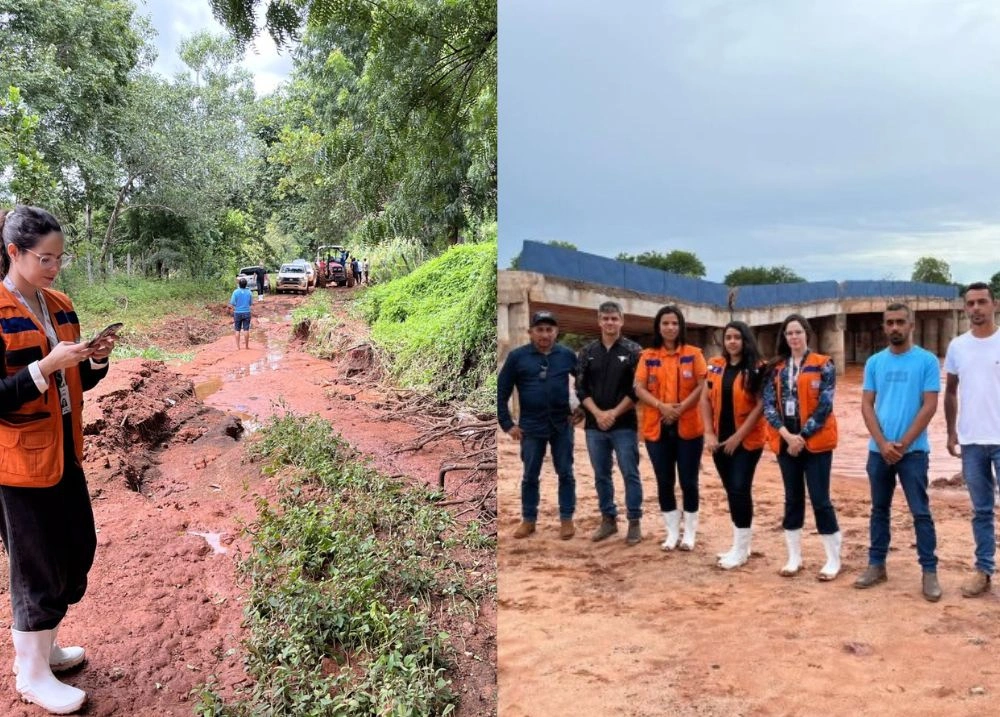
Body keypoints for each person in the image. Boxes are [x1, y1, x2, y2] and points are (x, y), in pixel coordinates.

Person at [0, 206, 115, 714]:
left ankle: (46, 647)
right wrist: (42, 368)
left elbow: (77, 385)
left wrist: (95, 360)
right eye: (45, 259)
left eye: (60, 259)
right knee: (35, 565)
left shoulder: (60, 304)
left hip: (65, 452)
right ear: (13, 253)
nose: (53, 268)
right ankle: (31, 673)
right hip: (16, 465)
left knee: (74, 550)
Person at [854, 303, 941, 601]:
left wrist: (902, 443)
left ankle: (929, 572)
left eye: (900, 322)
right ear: (884, 326)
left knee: (920, 512)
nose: (894, 327)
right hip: (878, 452)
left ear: (911, 325)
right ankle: (877, 565)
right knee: (879, 510)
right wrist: (882, 443)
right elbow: (866, 404)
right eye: (889, 322)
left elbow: (929, 405)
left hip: (913, 453)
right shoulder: (875, 362)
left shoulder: (927, 361)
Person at [762, 314, 842, 581]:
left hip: (816, 443)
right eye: (789, 333)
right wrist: (787, 436)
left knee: (820, 499)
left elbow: (825, 405)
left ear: (807, 334)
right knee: (792, 499)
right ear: (784, 338)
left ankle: (833, 559)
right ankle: (794, 557)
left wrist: (802, 436)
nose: (793, 337)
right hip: (786, 443)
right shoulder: (776, 369)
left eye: (798, 332)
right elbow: (769, 405)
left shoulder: (824, 365)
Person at [498, 310, 577, 540]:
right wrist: (507, 424)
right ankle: (528, 520)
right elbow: (501, 392)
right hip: (530, 428)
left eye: (549, 330)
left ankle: (566, 519)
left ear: (556, 332)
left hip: (562, 425)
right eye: (540, 330)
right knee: (530, 475)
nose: (545, 334)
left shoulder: (567, 355)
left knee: (566, 473)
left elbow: (585, 383)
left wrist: (580, 412)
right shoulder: (517, 357)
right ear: (530, 332)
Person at [634, 305, 706, 551]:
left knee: (689, 481)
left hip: (689, 428)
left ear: (681, 326)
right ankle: (672, 532)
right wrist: (661, 407)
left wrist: (680, 408)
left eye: (674, 323)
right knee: (664, 481)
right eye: (665, 323)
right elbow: (639, 387)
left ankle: (690, 534)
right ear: (658, 326)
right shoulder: (648, 355)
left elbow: (702, 385)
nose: (670, 328)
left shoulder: (694, 353)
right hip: (657, 427)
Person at [944, 281, 1000, 598]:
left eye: (982, 302)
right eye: (970, 304)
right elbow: (951, 391)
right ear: (965, 308)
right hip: (972, 442)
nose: (976, 308)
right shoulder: (958, 347)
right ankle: (983, 571)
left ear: (995, 304)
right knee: (981, 510)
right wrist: (952, 431)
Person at [699, 321, 766, 569]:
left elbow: (760, 406)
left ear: (746, 340)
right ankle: (741, 544)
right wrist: (708, 433)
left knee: (739, 488)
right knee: (732, 491)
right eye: (728, 337)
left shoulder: (758, 368)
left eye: (737, 337)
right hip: (719, 440)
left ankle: (740, 551)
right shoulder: (715, 366)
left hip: (747, 441)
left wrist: (739, 436)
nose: (732, 342)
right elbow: (705, 400)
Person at [576, 301, 643, 544]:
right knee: (601, 475)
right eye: (605, 318)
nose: (610, 323)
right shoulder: (587, 352)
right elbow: (581, 389)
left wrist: (614, 413)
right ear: (599, 321)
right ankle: (608, 520)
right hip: (595, 427)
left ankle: (634, 522)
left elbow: (638, 389)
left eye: (614, 318)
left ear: (622, 321)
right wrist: (598, 414)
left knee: (630, 473)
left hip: (624, 424)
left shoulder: (634, 351)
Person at [229, 276, 253, 350]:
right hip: (247, 312)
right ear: (246, 284)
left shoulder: (235, 292)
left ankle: (238, 347)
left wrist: (236, 307)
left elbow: (232, 303)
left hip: (237, 312)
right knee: (246, 329)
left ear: (239, 284)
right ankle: (246, 346)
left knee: (237, 330)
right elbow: (250, 303)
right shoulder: (249, 292)